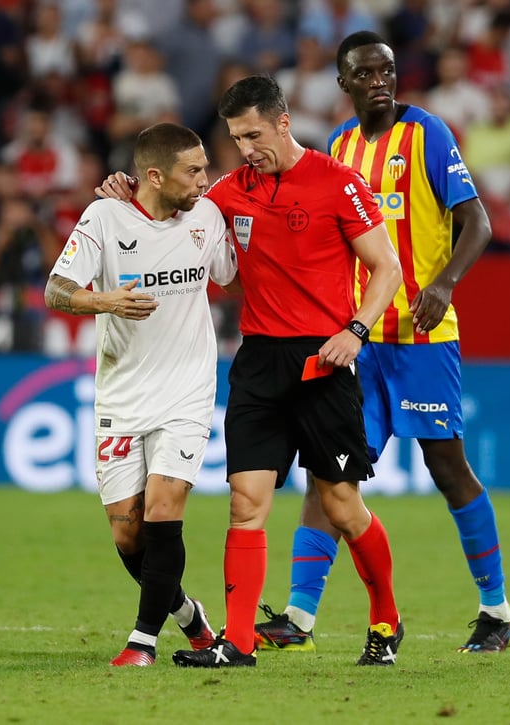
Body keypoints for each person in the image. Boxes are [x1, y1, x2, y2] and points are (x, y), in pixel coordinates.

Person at [263, 31, 510, 655]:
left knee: (446, 467)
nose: (381, 80)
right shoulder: (340, 147)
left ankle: (497, 611)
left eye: (388, 70)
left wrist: (444, 284)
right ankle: (298, 618)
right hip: (358, 338)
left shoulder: (427, 133)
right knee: (328, 473)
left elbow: (477, 221)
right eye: (366, 72)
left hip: (423, 337)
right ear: (343, 83)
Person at [151, 75, 405, 668]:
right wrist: (127, 187)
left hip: (324, 359)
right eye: (237, 139)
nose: (246, 149)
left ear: (283, 123)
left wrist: (356, 330)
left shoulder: (340, 183)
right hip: (260, 361)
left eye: (255, 135)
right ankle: (237, 644)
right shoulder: (228, 194)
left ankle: (386, 618)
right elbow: (166, 210)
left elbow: (387, 268)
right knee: (246, 503)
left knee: (341, 504)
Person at [44, 122, 238, 667]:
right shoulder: (105, 217)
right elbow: (56, 290)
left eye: (206, 168)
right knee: (129, 536)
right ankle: (191, 620)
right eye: (193, 171)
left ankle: (142, 643)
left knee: (163, 507)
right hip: (122, 396)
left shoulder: (207, 216)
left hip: (187, 391)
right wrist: (106, 301)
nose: (206, 180)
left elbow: (236, 275)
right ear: (154, 175)